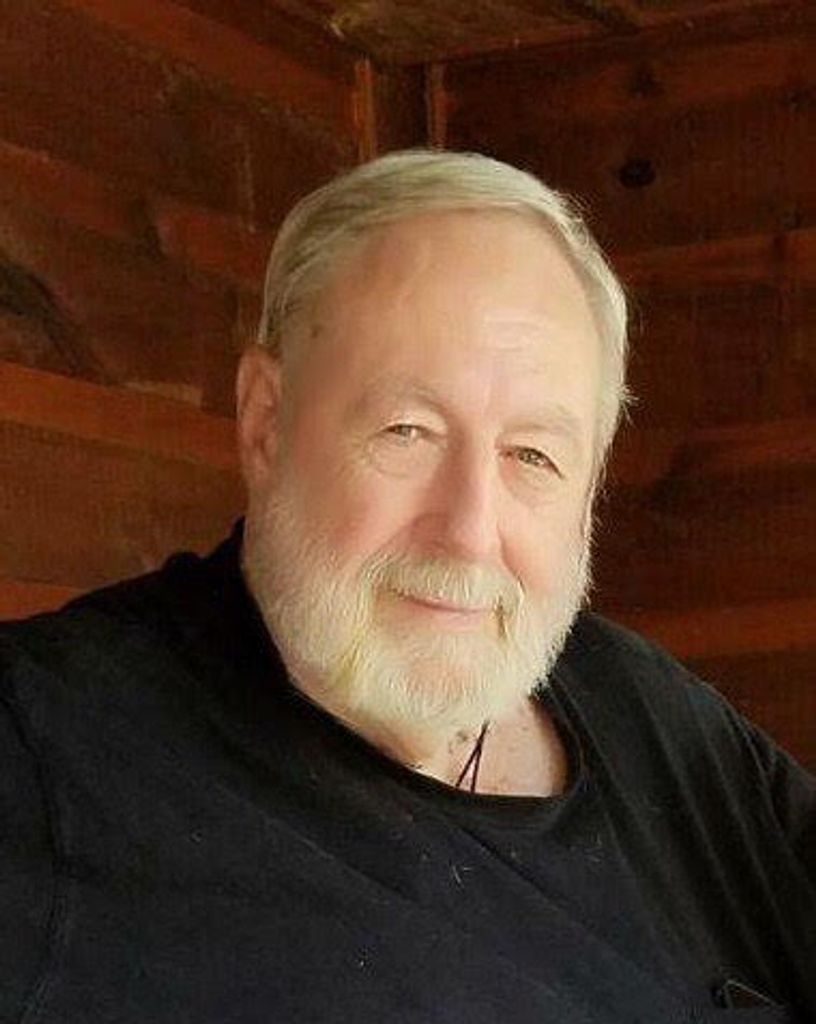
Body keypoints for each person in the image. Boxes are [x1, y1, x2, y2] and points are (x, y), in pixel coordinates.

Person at [1, 150, 813, 1024]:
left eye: (532, 455)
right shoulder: (51, 750)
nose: (469, 530)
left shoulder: (653, 720)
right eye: (407, 430)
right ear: (266, 422)